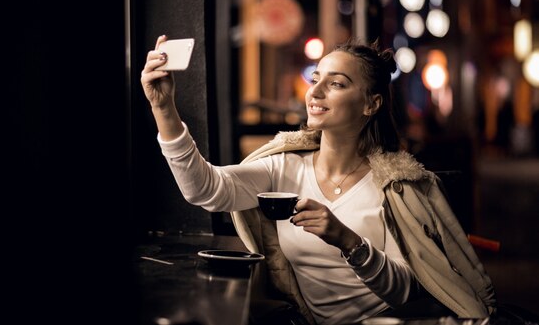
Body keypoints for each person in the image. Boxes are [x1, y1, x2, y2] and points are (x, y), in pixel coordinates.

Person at [141, 35, 496, 325]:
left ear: (370, 105)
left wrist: (348, 241)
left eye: (336, 83)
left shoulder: (394, 187)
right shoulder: (284, 169)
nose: (316, 91)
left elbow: (402, 292)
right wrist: (163, 108)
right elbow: (206, 190)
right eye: (316, 80)